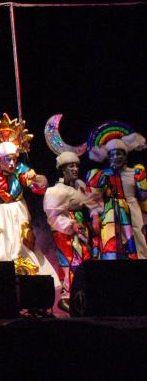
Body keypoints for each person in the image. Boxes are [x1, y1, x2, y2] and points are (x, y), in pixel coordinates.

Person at [0, 113, 59, 289]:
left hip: (19, 213)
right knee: (1, 251)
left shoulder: (19, 172)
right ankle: (0, 288)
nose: (12, 163)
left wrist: (37, 179)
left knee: (25, 246)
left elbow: (35, 184)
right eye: (7, 159)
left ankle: (32, 287)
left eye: (14, 159)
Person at [85, 122, 147, 259]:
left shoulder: (135, 172)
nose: (115, 158)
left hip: (132, 211)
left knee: (136, 244)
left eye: (119, 154)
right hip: (110, 212)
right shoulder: (101, 175)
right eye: (112, 155)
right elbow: (94, 199)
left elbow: (144, 199)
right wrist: (95, 215)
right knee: (112, 245)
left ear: (125, 156)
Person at [43, 151, 95, 311]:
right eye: (70, 166)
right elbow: (52, 216)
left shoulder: (80, 186)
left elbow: (91, 202)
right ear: (62, 169)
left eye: (77, 166)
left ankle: (82, 294)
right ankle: (67, 296)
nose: (75, 169)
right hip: (65, 232)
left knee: (84, 260)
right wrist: (70, 225)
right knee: (70, 262)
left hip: (81, 228)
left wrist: (94, 216)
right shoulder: (56, 191)